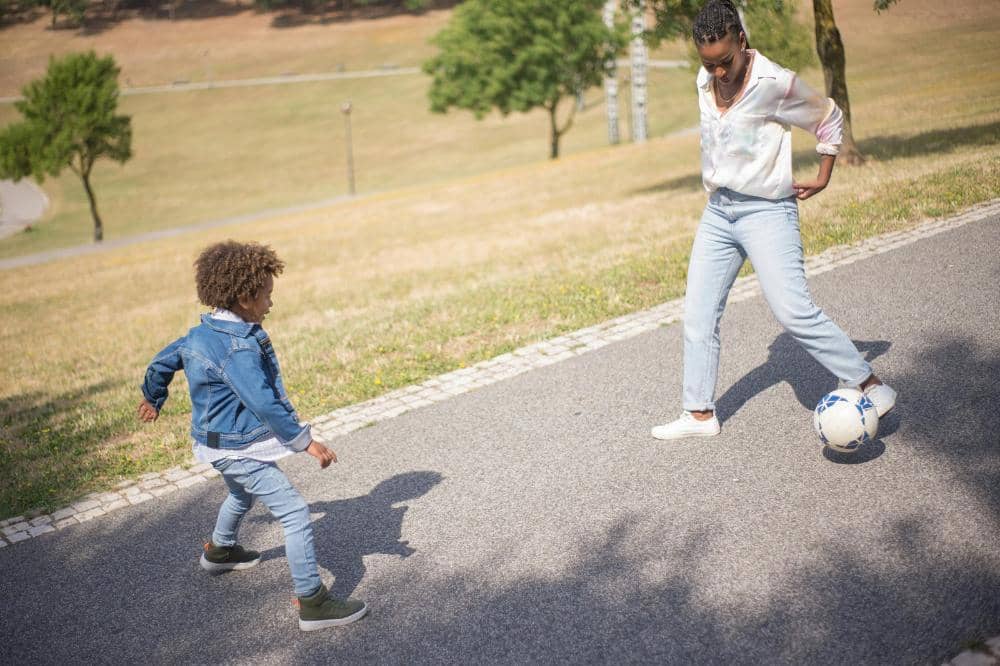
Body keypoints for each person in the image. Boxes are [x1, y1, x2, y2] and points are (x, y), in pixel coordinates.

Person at [652, 0, 896, 440]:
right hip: (719, 213)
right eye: (709, 65)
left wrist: (823, 174)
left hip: (767, 211)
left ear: (741, 40)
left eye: (725, 61)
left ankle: (868, 383)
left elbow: (828, 117)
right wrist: (710, 73)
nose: (719, 73)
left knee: (793, 310)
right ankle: (699, 414)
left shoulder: (773, 83)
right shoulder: (704, 79)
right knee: (698, 314)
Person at [137, 240, 367, 630]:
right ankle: (312, 601)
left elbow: (162, 361)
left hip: (214, 442)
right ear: (244, 297)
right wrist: (304, 441)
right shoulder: (237, 348)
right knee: (294, 512)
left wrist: (152, 396)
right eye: (266, 296)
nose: (270, 304)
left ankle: (221, 551)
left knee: (241, 493)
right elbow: (262, 401)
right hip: (238, 447)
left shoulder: (201, 333)